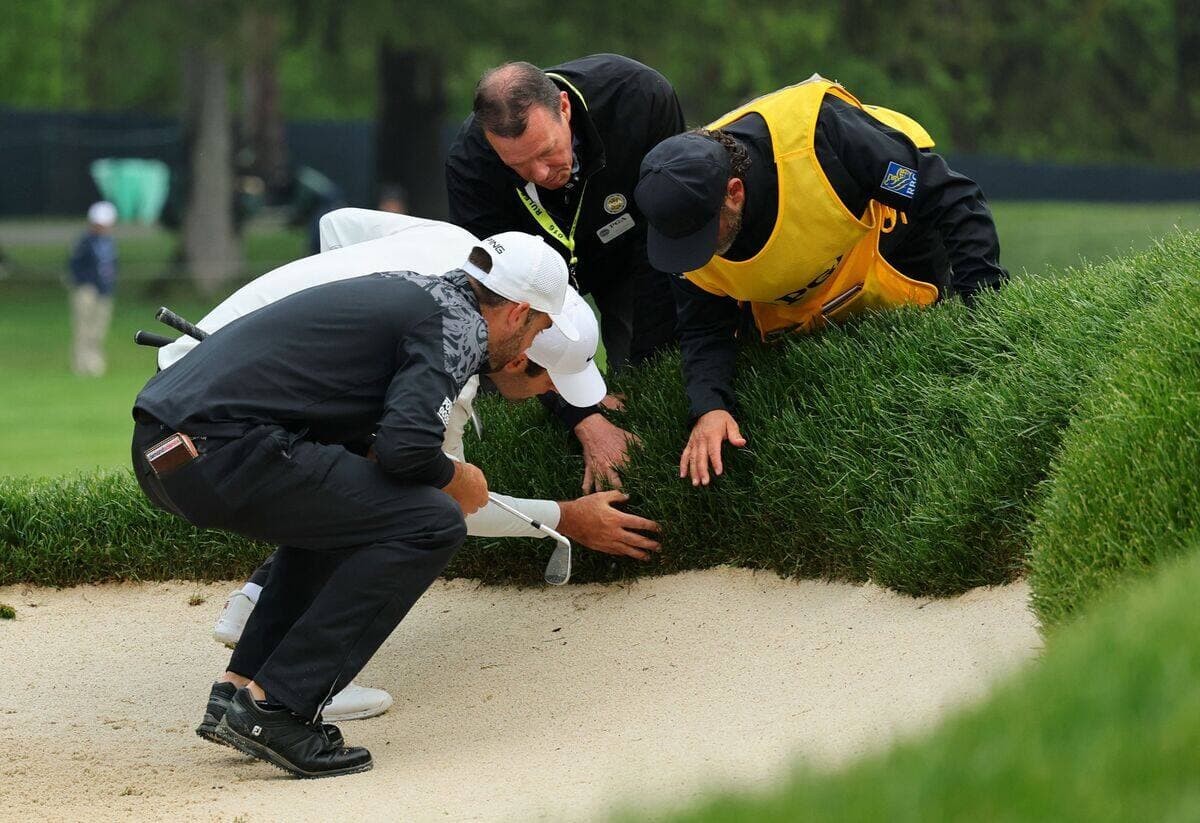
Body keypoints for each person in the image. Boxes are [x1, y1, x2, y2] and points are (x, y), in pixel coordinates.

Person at [160, 209, 660, 723]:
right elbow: (435, 483)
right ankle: (287, 699)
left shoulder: (451, 252)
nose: (552, 398)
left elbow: (336, 226)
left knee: (354, 483)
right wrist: (563, 518)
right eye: (549, 377)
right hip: (220, 421)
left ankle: (246, 668)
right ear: (517, 334)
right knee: (422, 515)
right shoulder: (456, 343)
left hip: (192, 388)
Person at [132, 231, 578, 777]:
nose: (531, 346)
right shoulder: (458, 326)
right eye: (540, 328)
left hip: (166, 449)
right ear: (519, 312)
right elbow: (407, 449)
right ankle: (282, 708)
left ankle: (241, 691)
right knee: (431, 520)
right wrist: (457, 478)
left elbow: (366, 436)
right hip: (220, 450)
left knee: (354, 512)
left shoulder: (417, 291)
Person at [634, 74, 1009, 487]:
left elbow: (951, 198)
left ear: (734, 192)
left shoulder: (826, 137)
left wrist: (983, 307)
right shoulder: (684, 221)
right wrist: (709, 406)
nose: (695, 254)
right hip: (790, 299)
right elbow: (703, 326)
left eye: (702, 235)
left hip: (886, 247)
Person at [446, 54, 686, 492]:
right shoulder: (470, 163)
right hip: (532, 281)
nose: (539, 173)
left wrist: (648, 361)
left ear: (564, 108)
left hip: (631, 245)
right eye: (517, 166)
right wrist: (581, 417)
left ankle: (658, 470)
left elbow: (667, 237)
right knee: (511, 382)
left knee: (651, 363)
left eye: (545, 153)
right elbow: (497, 302)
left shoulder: (640, 97)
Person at [68, 201, 119, 376]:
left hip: (105, 290)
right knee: (83, 327)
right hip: (87, 289)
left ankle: (95, 361)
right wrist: (84, 283)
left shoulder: (109, 242)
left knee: (99, 328)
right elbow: (74, 265)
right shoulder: (84, 242)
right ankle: (81, 363)